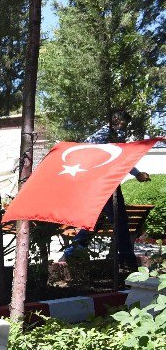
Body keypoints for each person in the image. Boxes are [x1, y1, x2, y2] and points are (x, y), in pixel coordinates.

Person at [64, 110, 151, 270]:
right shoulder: (109, 134)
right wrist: (137, 173)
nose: (124, 127)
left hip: (94, 183)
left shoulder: (98, 136)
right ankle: (127, 261)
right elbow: (120, 157)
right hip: (106, 183)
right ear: (116, 120)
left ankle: (70, 254)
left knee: (94, 222)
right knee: (120, 222)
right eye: (123, 123)